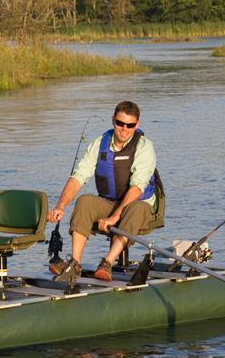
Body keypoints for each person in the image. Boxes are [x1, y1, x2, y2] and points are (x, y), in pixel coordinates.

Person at [46, 101, 161, 283]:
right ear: (112, 121)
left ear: (136, 125)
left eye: (130, 125)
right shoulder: (100, 144)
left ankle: (107, 262)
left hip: (140, 204)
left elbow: (137, 188)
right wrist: (60, 206)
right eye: (120, 123)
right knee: (85, 201)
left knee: (135, 209)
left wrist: (115, 216)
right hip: (109, 201)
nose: (124, 129)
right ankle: (74, 264)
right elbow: (78, 177)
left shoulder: (145, 147)